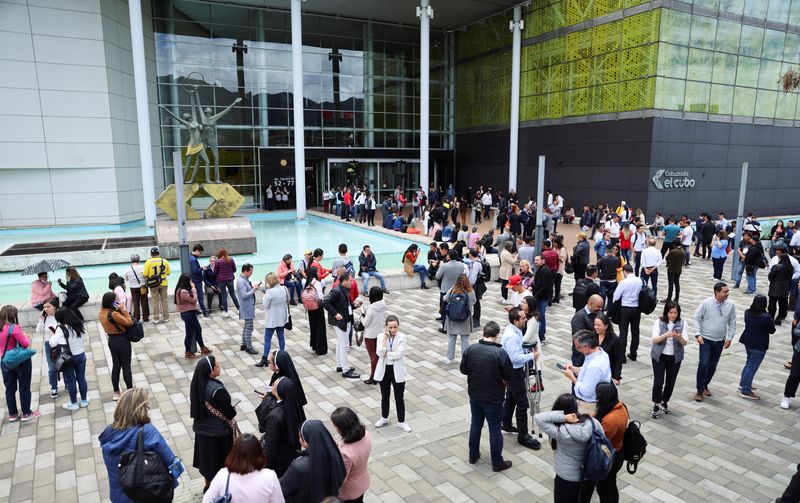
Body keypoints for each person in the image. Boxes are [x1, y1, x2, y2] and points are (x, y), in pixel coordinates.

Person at [100, 389, 184, 503]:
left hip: (119, 496)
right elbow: (171, 461)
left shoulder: (108, 434)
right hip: (147, 495)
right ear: (141, 409)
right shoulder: (147, 431)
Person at [461, 321, 514, 472]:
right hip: (494, 398)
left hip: (475, 395)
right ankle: (497, 462)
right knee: (495, 428)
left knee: (475, 424)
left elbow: (463, 370)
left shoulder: (471, 349)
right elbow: (508, 375)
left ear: (484, 333)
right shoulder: (500, 353)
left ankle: (473, 455)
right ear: (497, 335)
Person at [534, 394, 598, 502]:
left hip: (566, 478)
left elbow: (538, 418)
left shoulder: (561, 432)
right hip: (589, 475)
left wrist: (563, 417)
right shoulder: (592, 423)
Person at [191, 356, 238, 492]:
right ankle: (221, 490)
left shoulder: (197, 384)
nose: (220, 366)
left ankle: (208, 486)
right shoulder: (217, 390)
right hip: (219, 434)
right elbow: (229, 412)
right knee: (219, 464)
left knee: (206, 463)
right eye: (217, 366)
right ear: (211, 371)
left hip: (201, 430)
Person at [500, 307, 542, 450]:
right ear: (515, 320)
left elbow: (518, 350)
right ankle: (523, 435)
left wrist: (527, 349)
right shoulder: (512, 335)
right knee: (522, 403)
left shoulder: (516, 331)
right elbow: (515, 358)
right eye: (523, 318)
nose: (525, 319)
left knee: (511, 397)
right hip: (514, 371)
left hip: (514, 371)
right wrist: (532, 356)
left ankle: (505, 423)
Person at [201, 433, 284, 503]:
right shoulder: (269, 476)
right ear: (259, 452)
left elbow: (206, 500)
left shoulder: (223, 475)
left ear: (234, 453)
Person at [279, 419, 346, 503]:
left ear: (306, 442)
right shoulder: (334, 454)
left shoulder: (299, 466)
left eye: (300, 437)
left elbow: (281, 488)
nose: (299, 439)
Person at [693, 282, 736, 402]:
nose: (727, 293)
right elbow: (697, 318)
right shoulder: (706, 303)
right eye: (725, 291)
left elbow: (732, 322)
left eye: (727, 291)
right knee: (704, 364)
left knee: (712, 366)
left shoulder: (730, 306)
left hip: (719, 341)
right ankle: (699, 390)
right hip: (705, 339)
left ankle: (705, 384)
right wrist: (698, 333)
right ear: (717, 292)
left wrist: (730, 338)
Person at [256, 376, 306, 477]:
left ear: (278, 393)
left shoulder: (275, 416)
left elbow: (270, 444)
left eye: (274, 385)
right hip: (292, 451)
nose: (272, 387)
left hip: (278, 458)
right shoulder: (295, 404)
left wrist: (263, 465)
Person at [0, 305, 40, 422]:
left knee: (10, 388)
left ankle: (12, 414)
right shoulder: (14, 328)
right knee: (24, 387)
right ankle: (26, 413)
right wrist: (26, 336)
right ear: (13, 315)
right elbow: (25, 343)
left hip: (5, 361)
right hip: (20, 361)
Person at [650, 301, 688, 418]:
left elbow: (685, 343)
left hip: (675, 357)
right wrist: (666, 335)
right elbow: (654, 340)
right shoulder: (659, 322)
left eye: (675, 312)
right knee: (658, 381)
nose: (673, 315)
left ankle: (664, 401)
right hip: (659, 356)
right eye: (670, 312)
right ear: (666, 312)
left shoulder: (683, 323)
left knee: (670, 382)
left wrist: (679, 337)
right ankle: (656, 403)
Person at [373, 315, 411, 432]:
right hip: (384, 370)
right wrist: (385, 338)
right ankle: (384, 417)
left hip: (397, 370)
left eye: (395, 327)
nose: (393, 330)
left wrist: (387, 354)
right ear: (386, 327)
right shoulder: (381, 336)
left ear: (398, 326)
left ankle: (402, 421)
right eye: (390, 327)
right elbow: (379, 352)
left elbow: (399, 354)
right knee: (385, 396)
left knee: (399, 397)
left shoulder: (402, 337)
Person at [593, 382, 629, 503]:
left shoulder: (610, 420)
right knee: (611, 484)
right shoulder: (620, 406)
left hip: (610, 456)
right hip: (619, 451)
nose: (595, 399)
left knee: (604, 489)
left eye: (597, 396)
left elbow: (599, 441)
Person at [561, 330, 611, 415]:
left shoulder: (595, 366)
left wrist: (572, 377)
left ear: (586, 346)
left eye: (578, 347)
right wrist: (574, 369)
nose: (577, 350)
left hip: (588, 405)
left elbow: (586, 392)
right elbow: (587, 371)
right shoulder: (601, 353)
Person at [323, 272, 362, 379]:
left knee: (340, 344)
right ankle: (345, 370)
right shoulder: (337, 291)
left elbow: (346, 305)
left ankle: (340, 365)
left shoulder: (344, 290)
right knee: (345, 345)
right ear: (344, 281)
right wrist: (336, 314)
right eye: (350, 280)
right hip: (340, 322)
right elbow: (325, 301)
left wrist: (354, 305)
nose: (352, 282)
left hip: (345, 320)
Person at [330, 407, 371, 503]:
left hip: (349, 492)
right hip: (362, 481)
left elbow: (341, 478)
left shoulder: (346, 454)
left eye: (335, 426)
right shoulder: (365, 434)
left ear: (342, 428)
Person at [51, 307, 89, 410]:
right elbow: (84, 338)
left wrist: (54, 335)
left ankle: (74, 403)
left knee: (71, 380)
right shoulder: (79, 324)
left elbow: (52, 343)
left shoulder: (61, 328)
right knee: (81, 378)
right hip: (81, 354)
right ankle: (84, 400)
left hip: (68, 357)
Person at [738, 294, 775, 400]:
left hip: (747, 341)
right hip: (759, 345)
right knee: (752, 366)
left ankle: (743, 383)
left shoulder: (747, 312)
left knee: (748, 363)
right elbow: (772, 330)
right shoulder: (765, 317)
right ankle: (745, 389)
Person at [99, 292, 134, 400]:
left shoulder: (101, 312)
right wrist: (123, 310)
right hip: (122, 340)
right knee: (126, 366)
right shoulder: (114, 314)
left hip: (112, 340)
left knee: (116, 365)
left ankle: (116, 392)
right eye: (116, 299)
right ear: (112, 302)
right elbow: (129, 322)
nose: (118, 300)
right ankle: (129, 391)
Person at [175, 273, 212, 359]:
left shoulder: (184, 290)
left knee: (198, 329)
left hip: (191, 312)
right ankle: (188, 351)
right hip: (187, 313)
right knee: (189, 333)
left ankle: (202, 347)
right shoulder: (183, 291)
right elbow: (194, 300)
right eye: (190, 280)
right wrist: (194, 288)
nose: (191, 282)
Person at [443, 273, 476, 363]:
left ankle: (450, 358)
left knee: (452, 338)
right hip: (464, 318)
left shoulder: (453, 289)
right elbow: (473, 302)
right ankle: (464, 359)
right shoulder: (470, 291)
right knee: (464, 339)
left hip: (452, 318)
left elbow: (445, 298)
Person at [259, 272, 289, 366]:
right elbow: (288, 300)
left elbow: (265, 305)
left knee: (267, 339)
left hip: (272, 319)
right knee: (281, 337)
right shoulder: (284, 288)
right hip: (281, 317)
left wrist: (264, 296)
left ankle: (264, 359)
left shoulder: (269, 292)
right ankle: (282, 356)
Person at [613, 264, 642, 361]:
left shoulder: (623, 282)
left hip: (625, 309)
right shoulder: (640, 280)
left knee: (623, 332)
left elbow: (616, 297)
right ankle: (633, 353)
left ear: (624, 271)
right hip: (636, 309)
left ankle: (622, 356)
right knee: (635, 332)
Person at [588, 313, 624, 385]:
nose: (596, 327)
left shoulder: (615, 340)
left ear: (606, 326)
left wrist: (616, 377)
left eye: (599, 325)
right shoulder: (593, 336)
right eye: (595, 324)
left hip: (607, 373)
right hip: (593, 371)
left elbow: (618, 359)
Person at [360, 287, 385, 385]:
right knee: (378, 355)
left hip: (370, 335)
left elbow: (365, 323)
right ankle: (379, 375)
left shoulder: (371, 308)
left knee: (373, 356)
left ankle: (373, 377)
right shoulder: (383, 305)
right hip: (379, 334)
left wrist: (362, 314)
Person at [436, 249, 466, 330]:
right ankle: (450, 321)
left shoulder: (444, 265)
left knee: (444, 306)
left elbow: (437, 276)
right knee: (453, 307)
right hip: (457, 289)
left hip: (445, 289)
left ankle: (444, 326)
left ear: (449, 256)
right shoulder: (461, 265)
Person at [36, 297, 60, 399]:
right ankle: (54, 387)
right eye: (44, 307)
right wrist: (41, 320)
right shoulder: (45, 317)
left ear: (55, 307)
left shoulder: (60, 315)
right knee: (51, 367)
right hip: (48, 344)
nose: (46, 309)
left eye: (48, 306)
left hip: (60, 343)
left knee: (65, 363)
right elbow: (39, 331)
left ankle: (68, 384)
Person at [570, 294, 603, 365]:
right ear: (591, 304)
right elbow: (580, 338)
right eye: (598, 307)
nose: (600, 309)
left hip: (594, 353)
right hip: (581, 355)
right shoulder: (579, 317)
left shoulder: (599, 313)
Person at [237, 264, 262, 356]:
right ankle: (249, 347)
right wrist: (253, 289)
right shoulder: (241, 281)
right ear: (246, 271)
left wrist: (252, 288)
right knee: (249, 327)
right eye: (251, 271)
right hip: (247, 307)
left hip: (247, 306)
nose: (252, 273)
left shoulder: (243, 280)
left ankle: (244, 344)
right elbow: (244, 295)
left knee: (246, 326)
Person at [143, 247, 171, 323]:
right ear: (159, 253)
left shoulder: (148, 262)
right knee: (164, 300)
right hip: (164, 283)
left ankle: (156, 318)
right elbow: (168, 273)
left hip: (153, 284)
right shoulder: (164, 261)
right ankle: (166, 317)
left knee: (155, 301)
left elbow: (145, 275)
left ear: (151, 254)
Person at [305, 267, 328, 356]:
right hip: (317, 306)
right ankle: (320, 348)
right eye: (317, 272)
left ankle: (314, 344)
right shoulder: (316, 283)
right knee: (320, 327)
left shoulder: (308, 282)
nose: (318, 273)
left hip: (310, 307)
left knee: (313, 326)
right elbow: (320, 296)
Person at [768, 252, 794, 326]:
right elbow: (790, 278)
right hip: (785, 288)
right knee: (783, 304)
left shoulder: (777, 267)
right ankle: (779, 319)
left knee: (772, 304)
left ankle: (771, 318)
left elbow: (770, 277)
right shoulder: (790, 268)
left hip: (774, 288)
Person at [214, 248, 240, 317]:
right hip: (230, 280)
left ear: (219, 254)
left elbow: (215, 272)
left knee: (224, 295)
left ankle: (226, 312)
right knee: (233, 294)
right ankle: (239, 309)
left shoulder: (218, 262)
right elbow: (234, 270)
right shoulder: (231, 260)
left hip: (221, 281)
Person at [124, 254, 150, 322]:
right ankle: (145, 318)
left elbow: (126, 279)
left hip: (133, 287)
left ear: (131, 260)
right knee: (144, 302)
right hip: (143, 286)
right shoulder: (142, 267)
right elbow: (146, 276)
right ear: (139, 260)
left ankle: (136, 318)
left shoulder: (128, 268)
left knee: (136, 303)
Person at [189, 244, 210, 317]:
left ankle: (195, 310)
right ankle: (205, 312)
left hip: (192, 280)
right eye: (200, 252)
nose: (200, 254)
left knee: (193, 297)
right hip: (197, 281)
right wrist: (202, 268)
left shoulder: (190, 257)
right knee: (200, 297)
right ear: (197, 251)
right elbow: (195, 271)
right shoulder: (193, 260)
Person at [663, 238, 685, 303]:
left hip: (671, 269)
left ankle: (669, 298)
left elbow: (667, 258)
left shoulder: (673, 251)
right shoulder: (682, 251)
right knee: (677, 284)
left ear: (674, 244)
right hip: (679, 269)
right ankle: (676, 298)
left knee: (671, 284)